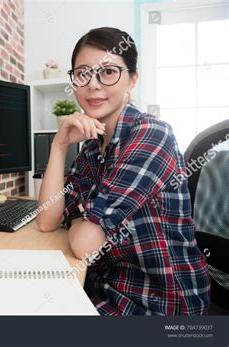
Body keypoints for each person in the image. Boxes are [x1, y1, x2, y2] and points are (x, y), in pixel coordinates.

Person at [35, 27, 211, 315]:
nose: (93, 84)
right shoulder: (92, 147)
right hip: (106, 288)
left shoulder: (151, 134)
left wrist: (78, 215)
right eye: (82, 73)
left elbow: (84, 245)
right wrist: (59, 145)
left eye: (108, 72)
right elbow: (46, 220)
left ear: (132, 79)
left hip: (158, 305)